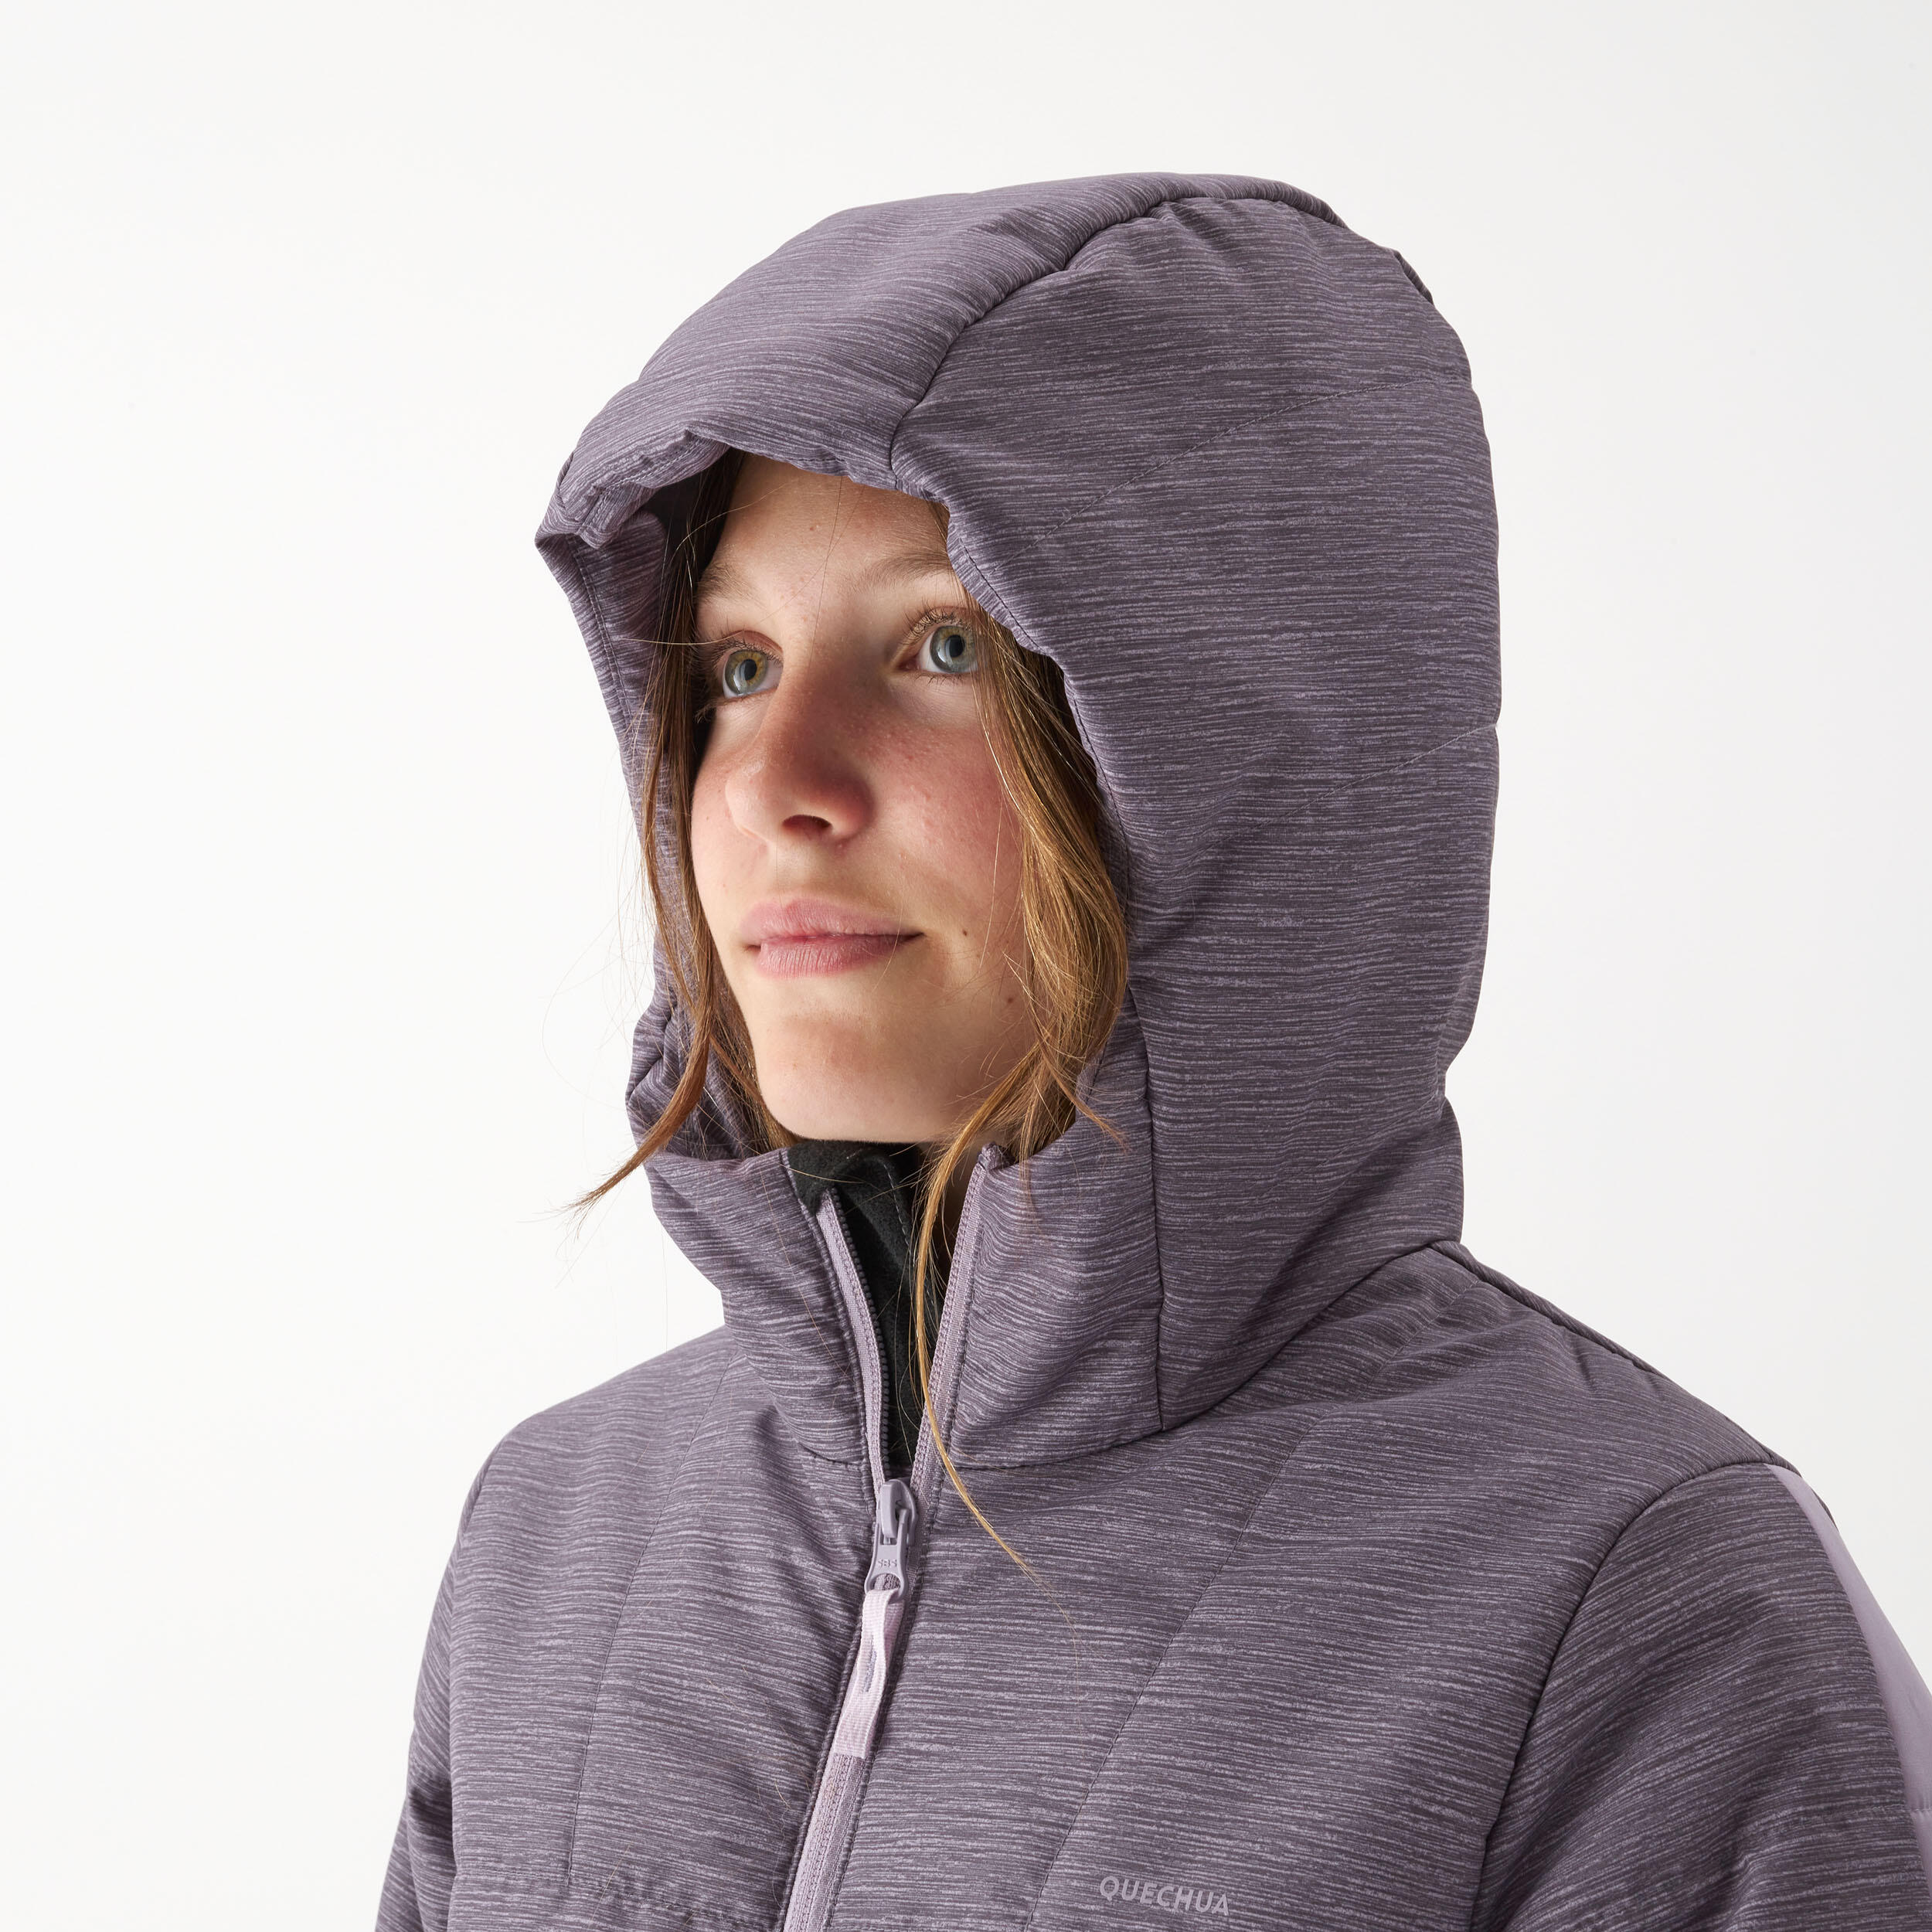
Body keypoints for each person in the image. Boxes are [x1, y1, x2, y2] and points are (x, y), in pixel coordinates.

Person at [377, 175, 1932, 1932]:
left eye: (941, 645)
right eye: (734, 667)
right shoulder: (560, 1533)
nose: (773, 783)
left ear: (1241, 755)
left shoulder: (1637, 1597)